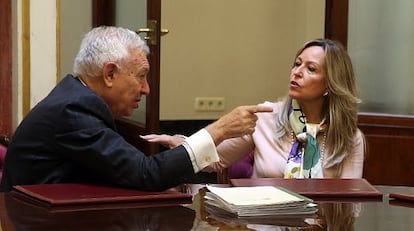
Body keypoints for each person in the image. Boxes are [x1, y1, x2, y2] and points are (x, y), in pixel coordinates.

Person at [0, 26, 273, 192]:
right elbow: (146, 173)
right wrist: (219, 129)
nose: (146, 89)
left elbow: (121, 172)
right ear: (109, 74)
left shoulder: (77, 97)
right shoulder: (74, 110)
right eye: (141, 76)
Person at [142, 38, 365, 179]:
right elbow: (215, 159)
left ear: (330, 84)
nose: (296, 72)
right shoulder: (267, 116)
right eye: (297, 63)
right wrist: (181, 143)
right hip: (262, 223)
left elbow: (350, 202)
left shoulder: (349, 137)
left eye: (311, 69)